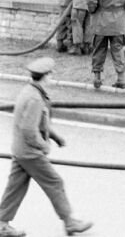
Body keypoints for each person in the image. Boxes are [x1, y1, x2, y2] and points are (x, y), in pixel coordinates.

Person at [0, 57, 93, 237]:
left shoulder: (30, 91)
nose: (51, 77)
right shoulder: (35, 98)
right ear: (45, 76)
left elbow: (39, 123)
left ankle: (2, 224)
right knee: (54, 182)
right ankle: (70, 222)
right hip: (30, 153)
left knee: (15, 187)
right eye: (50, 74)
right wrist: (43, 146)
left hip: (21, 150)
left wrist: (55, 137)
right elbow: (29, 129)